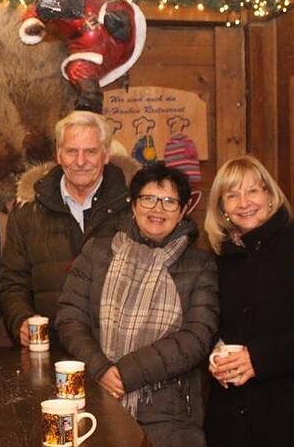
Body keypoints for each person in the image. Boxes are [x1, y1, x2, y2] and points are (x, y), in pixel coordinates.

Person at [57, 163, 218, 446]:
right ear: (133, 205)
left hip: (169, 414)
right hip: (97, 401)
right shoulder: (97, 251)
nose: (158, 209)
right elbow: (70, 317)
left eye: (169, 201)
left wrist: (126, 373)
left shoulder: (201, 264)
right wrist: (101, 368)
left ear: (183, 210)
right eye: (148, 198)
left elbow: (197, 337)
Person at [203, 155, 294, 447]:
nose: (244, 202)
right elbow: (208, 324)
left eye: (253, 190)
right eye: (232, 195)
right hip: (229, 419)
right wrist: (215, 352)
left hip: (289, 415)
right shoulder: (218, 259)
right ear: (222, 208)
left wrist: (260, 359)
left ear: (270, 196)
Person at [0, 110, 130, 348]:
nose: (80, 162)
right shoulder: (28, 210)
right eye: (71, 151)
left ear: (106, 155)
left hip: (116, 352)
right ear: (58, 154)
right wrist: (20, 319)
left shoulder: (134, 208)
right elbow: (13, 281)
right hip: (50, 350)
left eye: (90, 151)